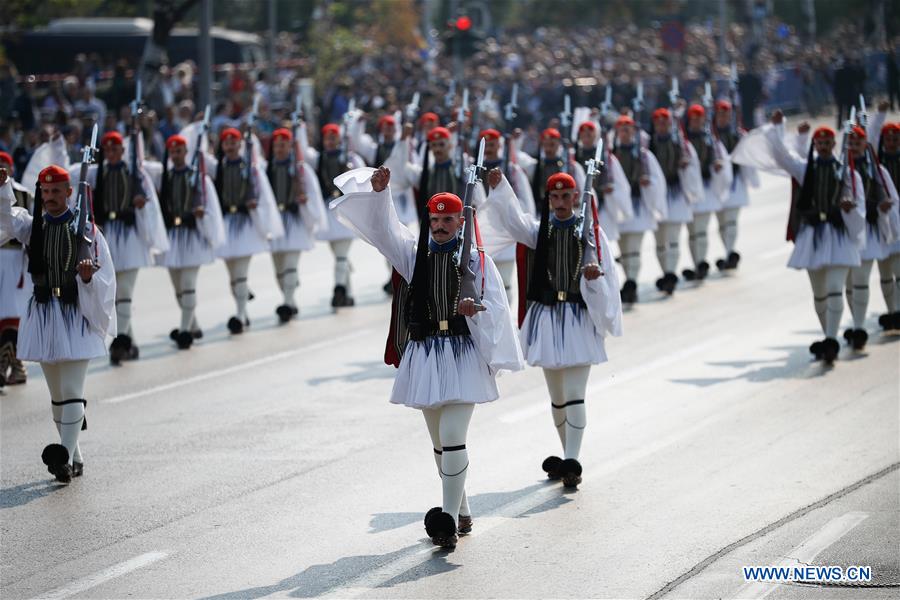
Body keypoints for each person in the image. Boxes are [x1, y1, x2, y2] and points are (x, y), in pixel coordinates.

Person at [331, 165, 523, 549]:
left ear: (459, 221)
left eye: (447, 220)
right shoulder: (413, 253)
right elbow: (384, 231)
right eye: (434, 219)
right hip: (425, 354)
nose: (439, 226)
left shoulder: (476, 260)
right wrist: (380, 194)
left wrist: (475, 311)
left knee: (453, 437)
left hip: (463, 355)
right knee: (439, 444)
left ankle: (447, 520)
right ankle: (462, 508)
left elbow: (497, 308)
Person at [481, 170, 622, 488]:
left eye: (565, 196)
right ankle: (566, 457)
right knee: (557, 397)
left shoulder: (590, 234)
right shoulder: (538, 231)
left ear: (576, 198)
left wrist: (594, 277)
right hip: (547, 317)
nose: (560, 202)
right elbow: (513, 220)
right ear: (549, 199)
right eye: (554, 197)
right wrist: (500, 187)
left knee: (574, 394)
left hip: (576, 318)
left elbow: (608, 275)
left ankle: (573, 458)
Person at [0, 165, 116, 483]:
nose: (50, 197)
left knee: (71, 389)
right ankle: (75, 457)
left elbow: (105, 278)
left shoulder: (87, 230)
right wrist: (4, 186)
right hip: (44, 314)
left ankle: (62, 457)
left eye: (56, 191)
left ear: (69, 192)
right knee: (56, 396)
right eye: (45, 192)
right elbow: (7, 218)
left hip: (74, 312)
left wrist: (89, 279)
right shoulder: (32, 226)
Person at [766, 111, 866, 364]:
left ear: (834, 145)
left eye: (826, 143)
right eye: (818, 143)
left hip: (838, 235)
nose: (822, 147)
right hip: (813, 235)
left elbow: (859, 202)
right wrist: (778, 128)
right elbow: (781, 157)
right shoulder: (804, 168)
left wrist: (849, 207)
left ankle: (832, 339)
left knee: (835, 287)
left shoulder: (847, 172)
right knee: (819, 292)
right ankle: (827, 337)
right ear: (815, 145)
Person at [68, 131, 168, 364]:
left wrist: (141, 204)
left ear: (123, 151)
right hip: (107, 237)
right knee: (115, 294)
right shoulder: (97, 173)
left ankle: (120, 341)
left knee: (125, 291)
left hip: (130, 236)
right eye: (108, 150)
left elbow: (150, 200)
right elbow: (74, 175)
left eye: (116, 149)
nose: (112, 153)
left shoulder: (135, 172)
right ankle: (129, 340)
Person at [153, 134, 225, 348]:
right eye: (172, 152)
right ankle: (193, 325)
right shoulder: (163, 177)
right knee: (177, 287)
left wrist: (203, 215)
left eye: (179, 151)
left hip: (192, 234)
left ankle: (184, 331)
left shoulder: (199, 177)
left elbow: (209, 203)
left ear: (186, 152)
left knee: (188, 284)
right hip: (173, 236)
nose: (176, 155)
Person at [212, 127, 284, 334]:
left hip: (245, 224)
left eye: (234, 142)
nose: (230, 146)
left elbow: (263, 194)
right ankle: (242, 309)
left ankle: (240, 314)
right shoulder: (217, 167)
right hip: (226, 224)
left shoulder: (251, 168)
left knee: (241, 274)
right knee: (232, 275)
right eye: (226, 142)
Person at [296, 122, 366, 308]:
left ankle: (339, 288)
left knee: (341, 254)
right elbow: (302, 150)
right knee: (339, 256)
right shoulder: (318, 158)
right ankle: (348, 294)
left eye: (334, 138)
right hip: (330, 210)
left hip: (347, 209)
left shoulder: (350, 158)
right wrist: (300, 128)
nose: (330, 141)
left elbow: (362, 178)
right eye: (328, 138)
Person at [841, 125, 899, 348]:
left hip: (875, 228)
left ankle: (893, 311)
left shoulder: (877, 169)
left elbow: (890, 195)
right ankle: (858, 327)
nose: (855, 147)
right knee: (857, 279)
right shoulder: (842, 169)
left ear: (866, 144)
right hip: (852, 230)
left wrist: (886, 212)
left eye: (859, 143)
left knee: (888, 272)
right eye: (851, 143)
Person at [266, 127, 326, 322]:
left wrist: (305, 201)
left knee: (291, 264)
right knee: (279, 269)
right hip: (276, 220)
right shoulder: (267, 169)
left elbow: (312, 192)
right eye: (277, 145)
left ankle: (287, 302)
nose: (280, 149)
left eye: (283, 145)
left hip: (294, 219)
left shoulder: (301, 169)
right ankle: (289, 297)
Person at [611, 115, 667, 304]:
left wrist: (648, 184)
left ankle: (632, 282)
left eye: (628, 130)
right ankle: (628, 281)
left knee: (634, 248)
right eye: (622, 130)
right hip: (620, 208)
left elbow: (657, 179)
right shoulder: (612, 155)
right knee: (624, 249)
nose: (625, 134)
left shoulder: (644, 156)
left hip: (638, 205)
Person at [648, 107, 702, 295]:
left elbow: (692, 164)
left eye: (666, 122)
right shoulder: (648, 145)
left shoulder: (680, 143)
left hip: (675, 193)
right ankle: (666, 272)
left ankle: (670, 273)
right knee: (660, 240)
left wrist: (685, 166)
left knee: (672, 238)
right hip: (656, 196)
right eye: (659, 123)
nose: (662, 126)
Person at [713, 100, 759, 272]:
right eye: (720, 114)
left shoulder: (737, 134)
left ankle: (730, 251)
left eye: (726, 115)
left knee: (731, 220)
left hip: (735, 182)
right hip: (718, 182)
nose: (724, 118)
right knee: (722, 222)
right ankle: (728, 251)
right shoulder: (711, 135)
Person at [0, 151, 32, 385]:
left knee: (11, 311)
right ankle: (17, 365)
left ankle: (4, 365)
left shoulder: (22, 193)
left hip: (13, 257)